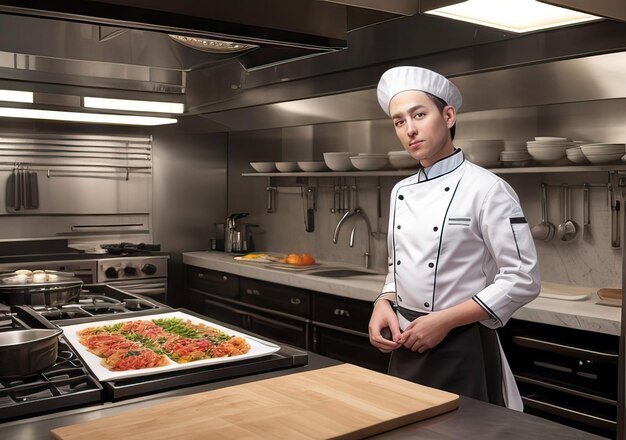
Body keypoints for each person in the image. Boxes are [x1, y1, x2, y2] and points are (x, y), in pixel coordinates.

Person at [368, 66, 540, 410]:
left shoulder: (488, 189)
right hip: (408, 339)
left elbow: (523, 278)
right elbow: (398, 264)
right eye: (399, 121)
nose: (410, 129)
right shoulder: (400, 190)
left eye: (419, 114)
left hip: (463, 344)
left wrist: (443, 321)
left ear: (448, 116)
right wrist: (383, 303)